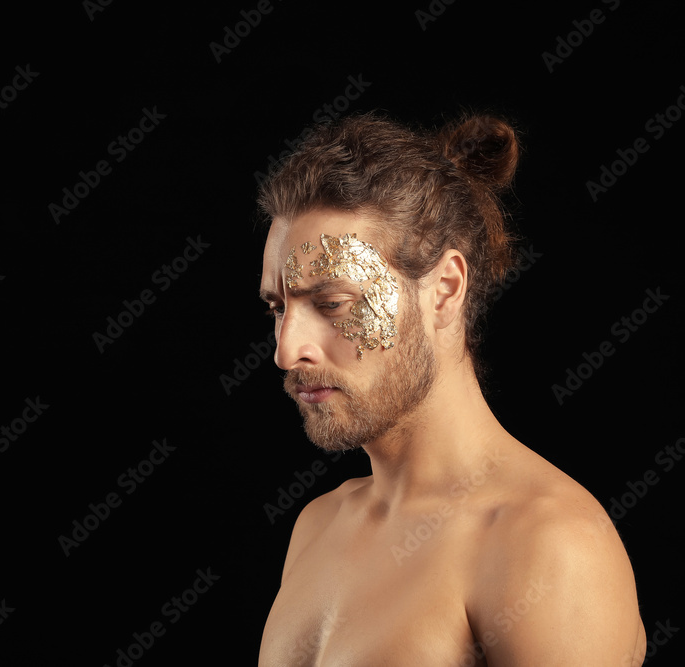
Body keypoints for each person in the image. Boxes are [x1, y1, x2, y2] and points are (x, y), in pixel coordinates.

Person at [256, 112, 646, 666]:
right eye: (278, 308)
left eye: (332, 304)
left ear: (444, 290)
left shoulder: (549, 545)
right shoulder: (319, 525)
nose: (286, 350)